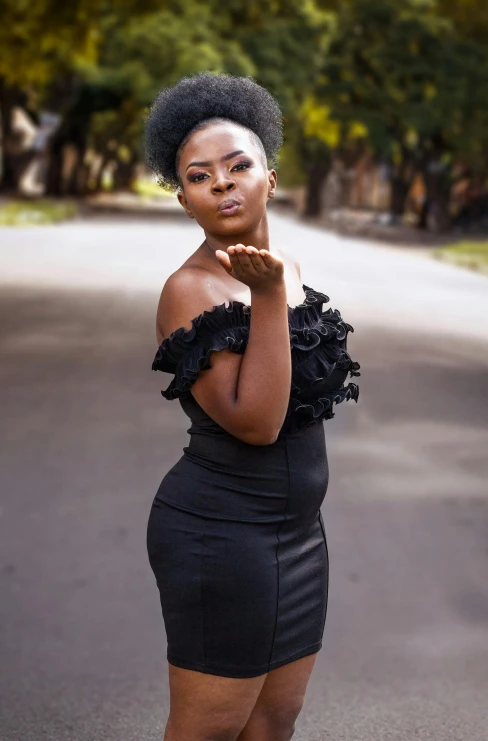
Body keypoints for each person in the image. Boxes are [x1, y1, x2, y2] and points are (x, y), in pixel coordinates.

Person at [145, 72, 361, 741]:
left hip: (298, 536)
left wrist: (271, 286)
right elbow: (258, 422)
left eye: (239, 166)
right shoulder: (190, 289)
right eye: (201, 175)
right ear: (184, 197)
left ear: (270, 176)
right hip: (221, 535)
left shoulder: (287, 267)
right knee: (207, 731)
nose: (223, 183)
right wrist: (264, 297)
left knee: (271, 723)